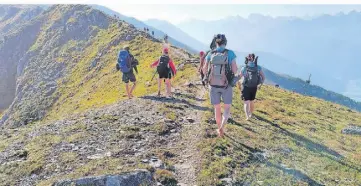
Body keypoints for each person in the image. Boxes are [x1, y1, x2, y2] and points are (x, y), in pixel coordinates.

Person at [202, 34, 238, 137]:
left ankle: (219, 129)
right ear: (225, 42)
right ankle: (222, 127)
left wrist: (207, 76)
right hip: (226, 85)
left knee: (217, 108)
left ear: (216, 42)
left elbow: (204, 69)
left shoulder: (210, 53)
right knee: (227, 108)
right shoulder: (230, 53)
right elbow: (235, 70)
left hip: (213, 85)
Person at [237, 53, 266, 120]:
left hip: (245, 86)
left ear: (247, 58)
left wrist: (238, 83)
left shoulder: (244, 67)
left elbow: (239, 77)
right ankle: (250, 114)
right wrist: (260, 84)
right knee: (251, 101)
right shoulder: (258, 67)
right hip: (254, 87)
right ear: (253, 58)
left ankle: (247, 116)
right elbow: (263, 77)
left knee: (246, 102)